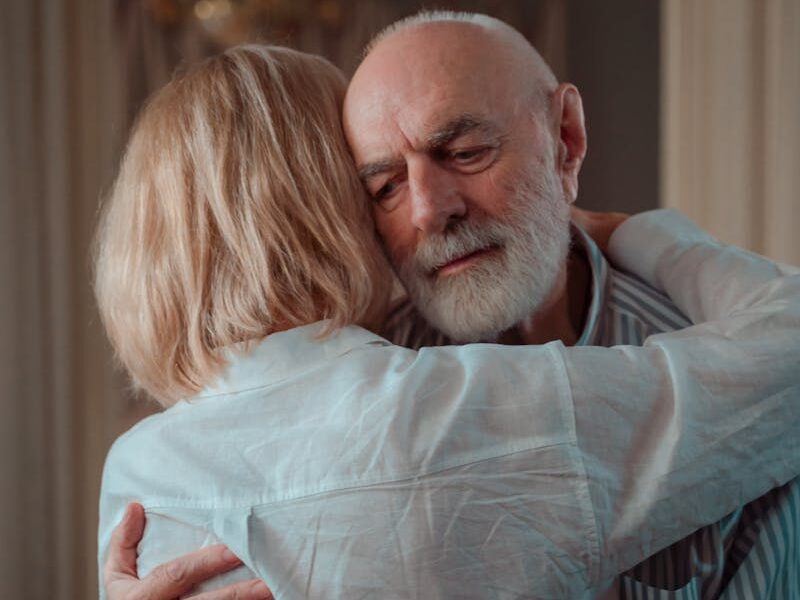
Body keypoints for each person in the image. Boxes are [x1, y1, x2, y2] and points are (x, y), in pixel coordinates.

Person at [95, 37, 800, 600]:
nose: (431, 208)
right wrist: (644, 232)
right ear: (337, 213)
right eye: (383, 185)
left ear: (566, 138)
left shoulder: (134, 473)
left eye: (465, 152)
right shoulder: (449, 408)